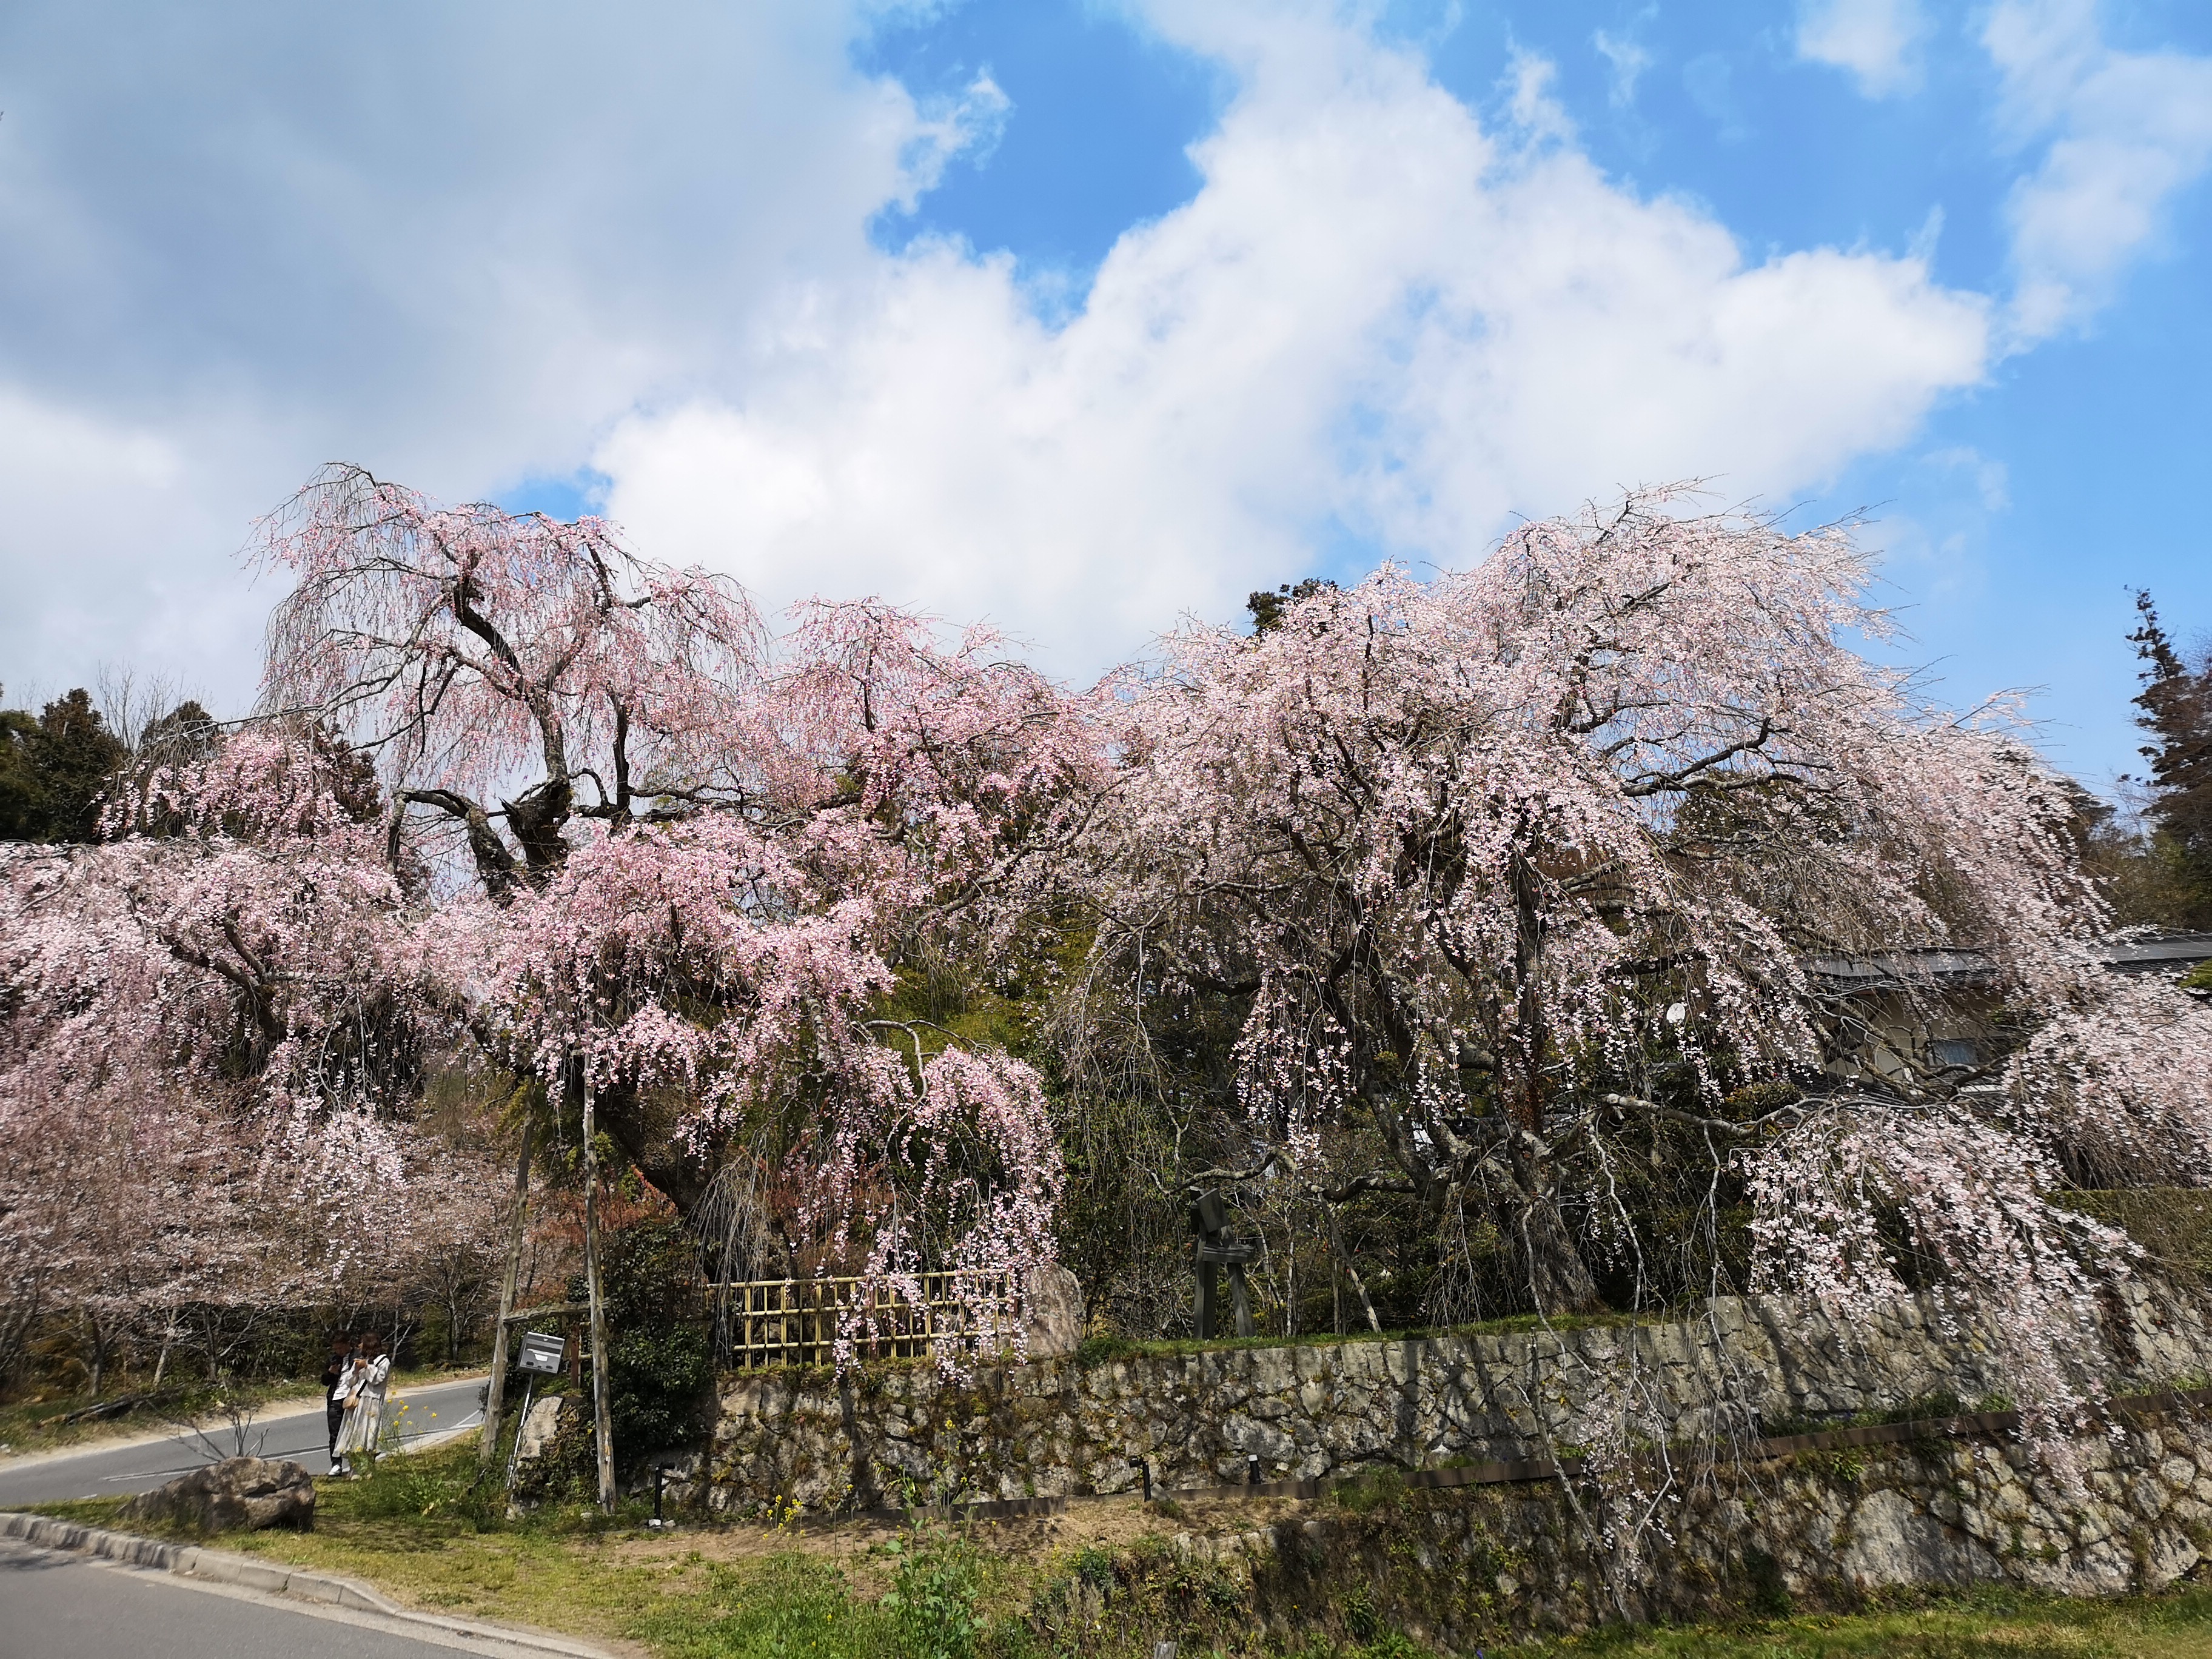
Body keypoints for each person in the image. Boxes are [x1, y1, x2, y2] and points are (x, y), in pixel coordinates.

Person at [333, 1332, 393, 1476]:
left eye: (362, 1342)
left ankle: (368, 1470)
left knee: (368, 1435)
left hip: (371, 1402)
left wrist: (367, 1367)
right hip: (356, 1401)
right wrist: (356, 1370)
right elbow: (349, 1382)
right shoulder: (361, 1359)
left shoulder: (383, 1361)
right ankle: (354, 1470)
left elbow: (378, 1379)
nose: (359, 1346)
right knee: (353, 1435)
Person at [320, 1333, 355, 1475]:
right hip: (335, 1398)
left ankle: (354, 1463)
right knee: (335, 1433)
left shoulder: (357, 1356)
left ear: (348, 1344)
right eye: (336, 1349)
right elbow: (324, 1381)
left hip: (352, 1398)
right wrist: (330, 1373)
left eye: (340, 1348)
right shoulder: (333, 1359)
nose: (338, 1351)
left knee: (353, 1432)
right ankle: (336, 1464)